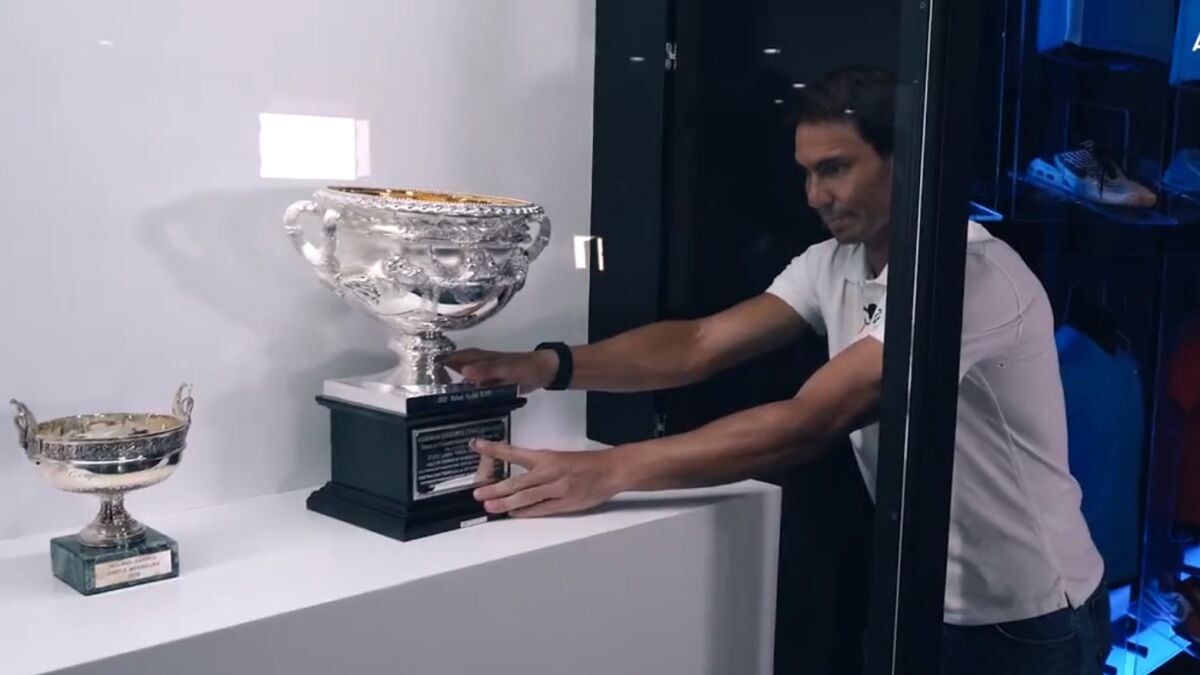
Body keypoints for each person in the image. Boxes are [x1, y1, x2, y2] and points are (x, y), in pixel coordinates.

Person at [444, 67, 1112, 674]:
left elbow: (811, 420)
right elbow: (699, 344)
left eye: (836, 169)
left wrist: (608, 471)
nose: (816, 195)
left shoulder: (968, 275)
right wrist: (545, 365)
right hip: (918, 599)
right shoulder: (833, 263)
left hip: (1028, 620)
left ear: (904, 160)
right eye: (807, 173)